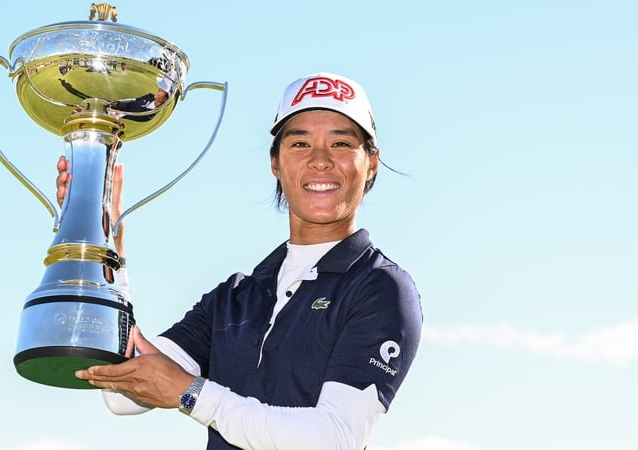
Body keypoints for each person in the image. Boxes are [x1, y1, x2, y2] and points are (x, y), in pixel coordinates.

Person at [57, 72, 423, 449]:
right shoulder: (235, 297)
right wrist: (101, 245)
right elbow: (122, 395)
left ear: (371, 162)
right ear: (276, 163)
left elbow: (333, 438)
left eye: (341, 143)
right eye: (300, 143)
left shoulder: (381, 287)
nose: (320, 161)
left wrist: (192, 394)